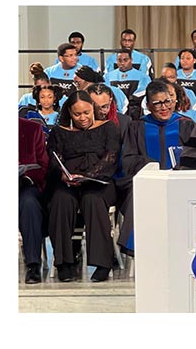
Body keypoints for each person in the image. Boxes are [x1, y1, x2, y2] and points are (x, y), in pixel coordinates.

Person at [44, 91, 120, 283]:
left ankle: (102, 263)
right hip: (67, 182)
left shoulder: (108, 127)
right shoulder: (60, 131)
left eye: (86, 112)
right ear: (69, 112)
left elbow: (111, 157)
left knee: (92, 200)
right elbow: (54, 159)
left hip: (99, 181)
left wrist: (89, 176)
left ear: (93, 109)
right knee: (61, 200)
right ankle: (64, 263)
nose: (83, 118)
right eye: (77, 114)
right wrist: (63, 174)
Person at [118, 81, 196, 253]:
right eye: (157, 103)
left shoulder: (186, 124)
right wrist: (153, 169)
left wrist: (177, 170)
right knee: (136, 193)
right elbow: (128, 159)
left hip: (179, 182)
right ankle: (137, 248)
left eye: (167, 101)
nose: (164, 107)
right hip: (148, 182)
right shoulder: (137, 126)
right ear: (148, 105)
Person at [18, 116, 49, 284]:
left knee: (29, 203)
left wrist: (25, 177)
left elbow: (43, 166)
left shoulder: (32, 129)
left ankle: (33, 265)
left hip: (25, 184)